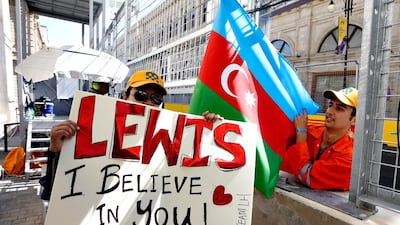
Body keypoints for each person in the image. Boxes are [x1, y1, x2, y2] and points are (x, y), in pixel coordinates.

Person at [42, 70, 221, 199]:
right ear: (124, 97)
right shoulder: (96, 133)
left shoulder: (174, 140)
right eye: (141, 95)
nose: (149, 103)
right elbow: (54, 192)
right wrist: (56, 150)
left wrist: (212, 135)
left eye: (156, 99)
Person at [281, 87, 358, 191]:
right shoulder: (312, 132)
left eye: (339, 108)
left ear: (354, 120)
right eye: (330, 105)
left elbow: (307, 176)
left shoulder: (349, 159)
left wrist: (301, 133)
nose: (329, 111)